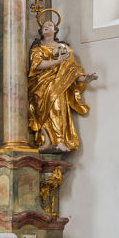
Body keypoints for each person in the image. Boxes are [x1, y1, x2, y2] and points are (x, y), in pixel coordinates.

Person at [28, 14, 98, 152]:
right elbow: (37, 65)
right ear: (42, 32)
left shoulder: (64, 49)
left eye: (50, 25)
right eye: (45, 26)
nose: (47, 27)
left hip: (58, 85)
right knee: (40, 110)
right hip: (40, 84)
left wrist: (84, 79)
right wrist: (57, 61)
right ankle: (47, 139)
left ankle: (59, 140)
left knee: (58, 107)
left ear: (55, 30)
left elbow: (71, 70)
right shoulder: (37, 48)